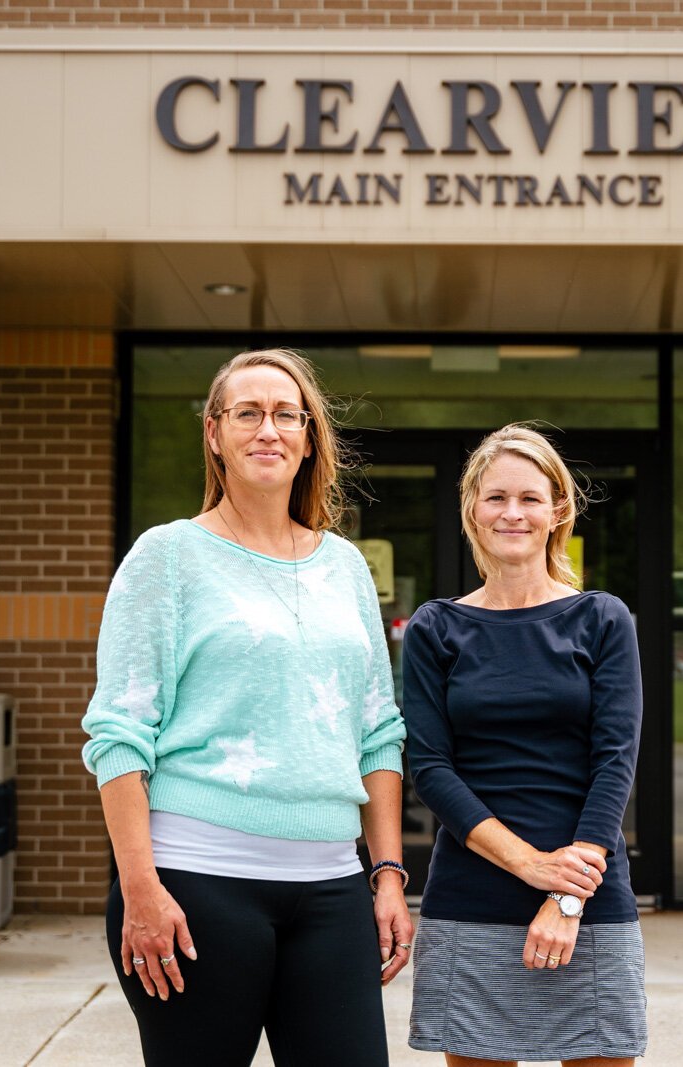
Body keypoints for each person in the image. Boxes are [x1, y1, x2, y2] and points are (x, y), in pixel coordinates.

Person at [81, 348, 411, 1067]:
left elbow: (379, 732)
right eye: (249, 412)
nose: (270, 429)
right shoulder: (166, 556)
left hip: (331, 889)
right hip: (195, 887)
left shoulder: (345, 567)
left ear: (308, 435)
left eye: (287, 414)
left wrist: (387, 875)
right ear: (214, 432)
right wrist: (140, 887)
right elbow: (118, 733)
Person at [403, 424, 647, 1066]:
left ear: (557, 511)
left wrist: (564, 893)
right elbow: (429, 767)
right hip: (472, 897)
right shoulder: (437, 627)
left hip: (587, 896)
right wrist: (528, 865)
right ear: (472, 511)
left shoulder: (602, 618)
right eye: (496, 498)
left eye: (530, 498)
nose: (512, 513)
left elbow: (615, 760)